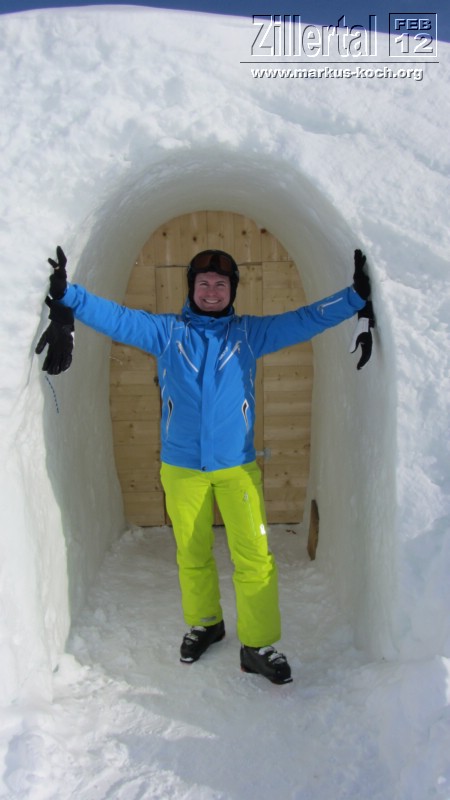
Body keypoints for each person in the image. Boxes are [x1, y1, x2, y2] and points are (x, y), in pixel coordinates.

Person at [36, 245, 373, 685]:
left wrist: (354, 297)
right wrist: (69, 295)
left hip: (237, 469)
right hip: (182, 469)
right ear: (191, 288)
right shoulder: (168, 332)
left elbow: (305, 319)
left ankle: (257, 645)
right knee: (192, 553)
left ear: (232, 290)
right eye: (203, 283)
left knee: (255, 558)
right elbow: (118, 318)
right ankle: (206, 623)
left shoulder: (249, 334)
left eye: (220, 284)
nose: (211, 291)